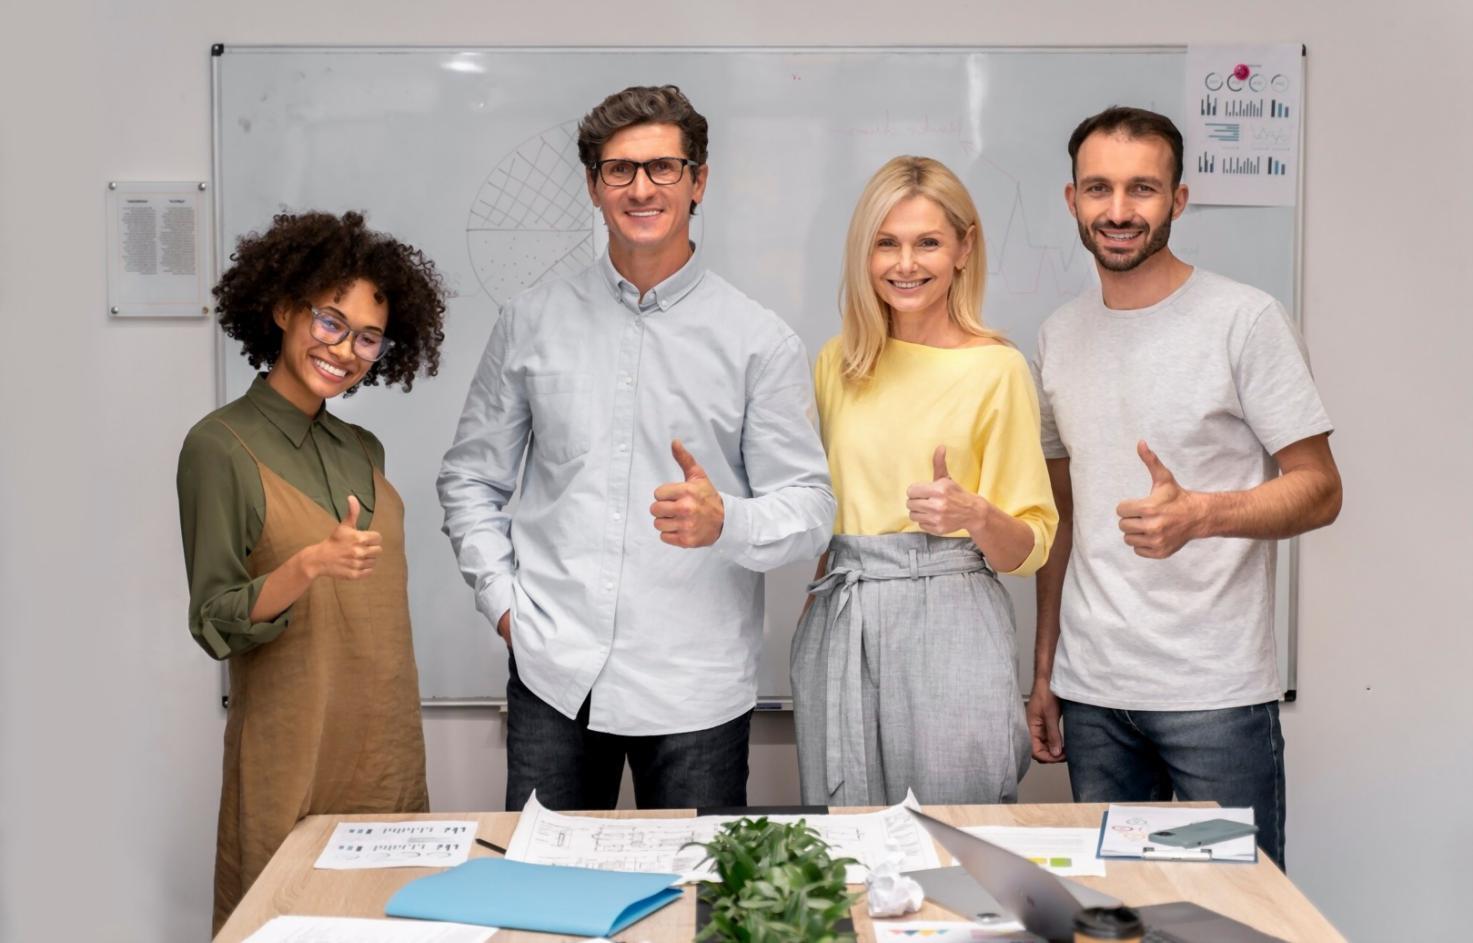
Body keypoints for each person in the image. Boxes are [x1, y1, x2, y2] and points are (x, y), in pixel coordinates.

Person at [437, 85, 834, 812]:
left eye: (663, 168)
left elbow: (810, 510)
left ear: (698, 181)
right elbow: (470, 479)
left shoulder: (758, 341)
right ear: (594, 186)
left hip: (694, 692)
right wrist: (505, 608)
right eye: (619, 169)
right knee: (542, 882)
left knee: (691, 886)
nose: (641, 188)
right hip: (553, 676)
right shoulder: (530, 322)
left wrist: (726, 521)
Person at [1027, 107, 1342, 869]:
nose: (1118, 210)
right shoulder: (1057, 334)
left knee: (1232, 909)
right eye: (1098, 188)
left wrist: (1201, 513)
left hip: (1214, 695)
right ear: (1071, 200)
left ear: (1177, 199)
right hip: (1093, 693)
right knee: (1118, 910)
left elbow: (1320, 488)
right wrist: (1044, 669)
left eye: (1141, 188)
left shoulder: (1243, 320)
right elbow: (1061, 515)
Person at [176, 210, 447, 932]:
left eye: (368, 337)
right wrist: (306, 565)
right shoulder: (219, 446)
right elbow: (214, 619)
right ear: (282, 309)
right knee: (285, 922)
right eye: (331, 321)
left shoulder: (363, 447)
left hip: (386, 756)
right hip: (291, 756)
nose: (346, 350)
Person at [791, 156, 1059, 806]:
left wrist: (974, 515)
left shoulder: (996, 368)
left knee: (953, 827)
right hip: (842, 611)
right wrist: (808, 637)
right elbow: (827, 514)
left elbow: (1032, 546)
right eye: (886, 243)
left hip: (950, 612)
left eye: (927, 243)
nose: (905, 263)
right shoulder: (836, 363)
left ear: (964, 249)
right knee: (844, 833)